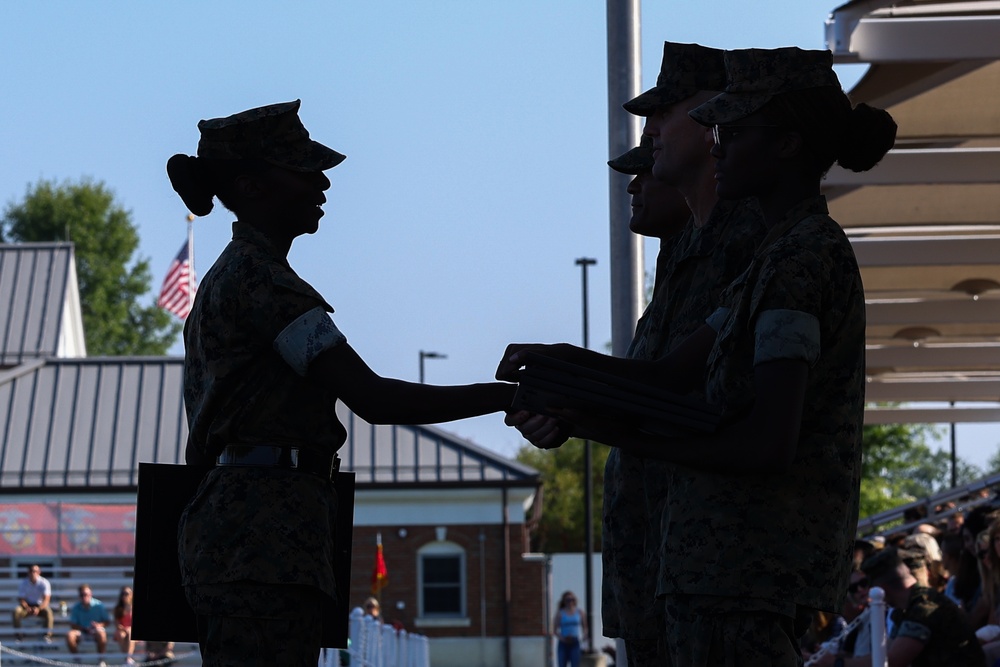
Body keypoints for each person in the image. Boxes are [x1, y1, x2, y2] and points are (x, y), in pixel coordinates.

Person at [499, 46, 896, 664]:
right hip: (712, 573)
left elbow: (767, 442)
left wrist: (605, 425)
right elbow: (666, 374)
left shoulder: (800, 260)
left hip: (746, 570)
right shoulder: (773, 258)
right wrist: (557, 367)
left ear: (787, 143)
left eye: (733, 131)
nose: (717, 145)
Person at [168, 100, 515, 667]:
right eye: (301, 170)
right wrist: (507, 397)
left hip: (253, 536)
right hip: (263, 544)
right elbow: (372, 398)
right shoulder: (262, 283)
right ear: (252, 186)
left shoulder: (241, 275)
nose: (321, 182)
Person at [816, 547, 984, 667]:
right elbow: (883, 653)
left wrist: (837, 663)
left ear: (882, 589)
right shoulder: (907, 608)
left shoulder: (925, 608)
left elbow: (890, 661)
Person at [12, 563, 54, 642]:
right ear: (28, 572)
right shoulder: (23, 583)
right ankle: (19, 635)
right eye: (31, 571)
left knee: (49, 612)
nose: (33, 573)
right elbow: (21, 599)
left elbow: (46, 600)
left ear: (39, 572)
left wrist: (38, 608)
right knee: (16, 611)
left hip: (40, 606)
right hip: (26, 606)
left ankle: (47, 635)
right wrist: (27, 607)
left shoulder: (44, 582)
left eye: (35, 571)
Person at [66, 584, 109, 659]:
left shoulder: (99, 605)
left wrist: (98, 625)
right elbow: (73, 624)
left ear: (90, 594)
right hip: (81, 631)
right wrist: (83, 628)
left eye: (86, 594)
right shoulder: (76, 607)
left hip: (96, 630)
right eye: (82, 595)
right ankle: (77, 660)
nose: (84, 597)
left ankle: (101, 660)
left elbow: (107, 621)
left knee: (102, 634)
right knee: (70, 635)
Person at [554, 591, 587, 667]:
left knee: (575, 664)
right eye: (568, 600)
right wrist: (562, 638)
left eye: (572, 599)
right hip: (563, 642)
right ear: (564, 601)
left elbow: (585, 628)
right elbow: (555, 631)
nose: (570, 602)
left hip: (575, 642)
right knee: (562, 664)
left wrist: (584, 638)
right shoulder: (560, 613)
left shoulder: (580, 612)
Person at [113, 585, 136, 665]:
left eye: (127, 593)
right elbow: (116, 623)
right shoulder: (118, 609)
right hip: (122, 630)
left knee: (130, 632)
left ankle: (128, 657)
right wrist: (122, 628)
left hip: (131, 631)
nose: (124, 596)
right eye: (123, 594)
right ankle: (127, 658)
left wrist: (128, 628)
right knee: (120, 635)